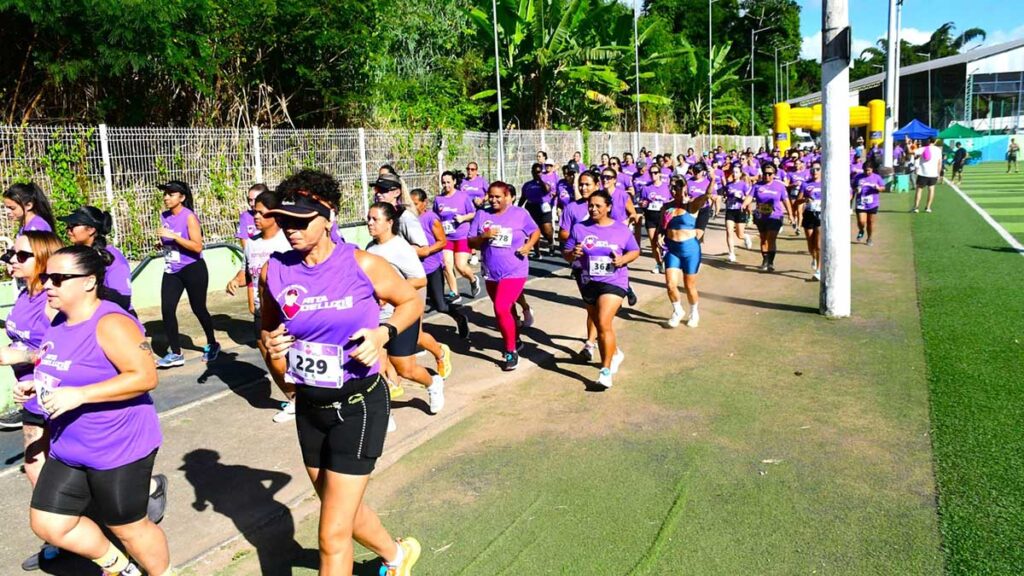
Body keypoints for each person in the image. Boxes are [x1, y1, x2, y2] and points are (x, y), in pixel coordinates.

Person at [259, 169, 421, 575]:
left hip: (359, 405)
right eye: (284, 220)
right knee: (340, 508)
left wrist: (383, 334)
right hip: (310, 409)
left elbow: (410, 302)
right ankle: (397, 556)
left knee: (331, 534)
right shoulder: (273, 272)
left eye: (300, 221)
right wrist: (275, 353)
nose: (290, 230)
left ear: (327, 217)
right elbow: (266, 330)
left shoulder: (363, 264)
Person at [21, 244, 168, 576]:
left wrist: (82, 394)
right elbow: (65, 365)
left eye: (58, 279)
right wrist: (38, 383)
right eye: (46, 277)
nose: (47, 285)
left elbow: (145, 376)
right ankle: (120, 567)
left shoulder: (112, 322)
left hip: (117, 447)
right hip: (69, 446)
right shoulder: (59, 320)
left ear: (89, 281)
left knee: (129, 528)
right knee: (49, 523)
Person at [0, 232, 62, 567]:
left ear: (41, 259)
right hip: (30, 398)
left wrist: (19, 354)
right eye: (11, 254)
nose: (11, 260)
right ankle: (57, 535)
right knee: (35, 468)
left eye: (21, 256)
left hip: (58, 397)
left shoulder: (51, 302)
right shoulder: (25, 294)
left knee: (76, 471)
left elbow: (64, 351)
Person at [366, 202, 447, 414]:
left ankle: (433, 384)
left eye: (375, 219)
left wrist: (389, 292)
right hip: (375, 317)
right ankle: (384, 414)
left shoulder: (400, 247)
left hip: (399, 314)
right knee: (373, 366)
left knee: (404, 367)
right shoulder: (370, 248)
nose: (370, 223)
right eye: (368, 218)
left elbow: (420, 280)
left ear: (389, 222)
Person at [225, 190, 293, 422]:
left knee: (285, 358)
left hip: (284, 310)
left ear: (274, 216)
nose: (256, 217)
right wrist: (236, 281)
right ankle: (294, 399)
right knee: (269, 358)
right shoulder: (251, 245)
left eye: (262, 214)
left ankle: (303, 400)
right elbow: (248, 273)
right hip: (261, 310)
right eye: (255, 212)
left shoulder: (286, 241)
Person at [563, 189, 639, 388]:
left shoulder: (620, 230)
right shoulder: (580, 228)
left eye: (598, 205)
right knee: (598, 321)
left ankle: (605, 372)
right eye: (591, 205)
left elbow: (635, 250)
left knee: (604, 322)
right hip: (588, 281)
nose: (593, 208)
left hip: (614, 280)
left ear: (608, 207)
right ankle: (615, 352)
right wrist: (574, 253)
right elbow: (567, 253)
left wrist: (622, 259)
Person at [468, 182, 540, 371]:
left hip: (515, 270)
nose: (493, 200)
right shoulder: (482, 215)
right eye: (490, 196)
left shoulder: (519, 214)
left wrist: (527, 247)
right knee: (506, 310)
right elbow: (471, 242)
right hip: (491, 272)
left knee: (500, 308)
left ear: (507, 196)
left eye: (498, 196)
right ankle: (515, 338)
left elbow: (535, 232)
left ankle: (510, 351)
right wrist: (484, 236)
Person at [154, 180, 220, 368]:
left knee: (198, 308)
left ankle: (212, 342)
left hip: (192, 268)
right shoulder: (164, 215)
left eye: (171, 194)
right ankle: (176, 353)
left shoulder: (189, 217)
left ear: (182, 197)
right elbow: (170, 240)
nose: (166, 197)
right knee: (167, 309)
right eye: (165, 194)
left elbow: (197, 246)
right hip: (171, 269)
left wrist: (175, 237)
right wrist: (163, 243)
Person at [410, 188, 469, 339]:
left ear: (424, 203)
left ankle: (460, 317)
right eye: (410, 204)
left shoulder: (431, 218)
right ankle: (416, 338)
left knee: (440, 305)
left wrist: (426, 251)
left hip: (431, 267)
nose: (413, 207)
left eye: (416, 204)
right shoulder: (407, 220)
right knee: (415, 305)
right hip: (415, 270)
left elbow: (442, 242)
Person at [656, 175, 712, 328]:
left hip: (690, 250)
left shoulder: (691, 205)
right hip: (672, 250)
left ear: (685, 187)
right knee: (670, 284)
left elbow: (707, 195)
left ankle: (694, 312)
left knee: (689, 286)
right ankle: (677, 311)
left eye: (678, 186)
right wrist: (660, 235)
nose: (675, 190)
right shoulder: (666, 206)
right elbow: (662, 225)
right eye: (672, 187)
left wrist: (712, 179)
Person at [59, 206, 134, 313]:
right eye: (67, 226)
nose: (68, 230)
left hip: (115, 318)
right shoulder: (75, 254)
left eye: (72, 226)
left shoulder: (112, 258)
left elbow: (123, 300)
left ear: (91, 230)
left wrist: (88, 288)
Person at [559, 171, 600, 360]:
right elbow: (563, 234)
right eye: (581, 185)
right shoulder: (571, 208)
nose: (583, 188)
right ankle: (593, 342)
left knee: (602, 306)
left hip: (604, 263)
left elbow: (617, 228)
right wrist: (578, 239)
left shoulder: (606, 205)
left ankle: (592, 343)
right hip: (581, 264)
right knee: (591, 307)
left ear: (597, 185)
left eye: (587, 184)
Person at [434, 171, 480, 301]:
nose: (446, 185)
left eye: (449, 182)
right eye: (444, 182)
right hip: (446, 237)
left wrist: (463, 218)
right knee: (446, 265)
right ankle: (455, 293)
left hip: (461, 236)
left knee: (460, 266)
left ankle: (472, 279)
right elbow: (435, 217)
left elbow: (473, 213)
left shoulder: (463, 197)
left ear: (454, 182)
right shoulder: (439, 199)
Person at [750, 164, 792, 272]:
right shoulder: (757, 186)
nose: (767, 176)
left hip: (775, 216)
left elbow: (786, 201)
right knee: (763, 239)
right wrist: (744, 205)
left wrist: (790, 214)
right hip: (761, 216)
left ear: (774, 174)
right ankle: (765, 260)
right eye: (765, 173)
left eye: (770, 174)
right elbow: (749, 197)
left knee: (771, 237)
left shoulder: (780, 186)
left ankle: (770, 262)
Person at [639, 165, 672, 274]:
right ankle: (659, 263)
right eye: (651, 173)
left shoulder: (666, 187)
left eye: (656, 172)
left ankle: (668, 262)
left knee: (663, 241)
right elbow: (642, 202)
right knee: (653, 241)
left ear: (660, 174)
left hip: (663, 217)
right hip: (650, 216)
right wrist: (643, 203)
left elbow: (671, 201)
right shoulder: (646, 188)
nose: (653, 175)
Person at [519, 162, 557, 257]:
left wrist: (540, 179)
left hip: (543, 208)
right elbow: (523, 197)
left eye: (539, 172)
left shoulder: (545, 182)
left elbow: (547, 189)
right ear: (532, 172)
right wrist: (518, 208)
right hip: (532, 208)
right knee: (534, 230)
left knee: (547, 230)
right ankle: (537, 252)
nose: (537, 174)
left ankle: (551, 243)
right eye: (535, 172)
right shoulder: (527, 185)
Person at [794, 161, 824, 280]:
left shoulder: (825, 183)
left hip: (821, 214)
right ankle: (814, 257)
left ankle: (818, 270)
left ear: (821, 170)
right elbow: (797, 201)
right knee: (811, 243)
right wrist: (806, 199)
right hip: (809, 214)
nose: (814, 172)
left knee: (818, 244)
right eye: (812, 170)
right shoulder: (805, 184)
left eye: (817, 169)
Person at [723, 163, 753, 262]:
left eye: (737, 172)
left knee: (739, 234)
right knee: (729, 231)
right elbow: (726, 196)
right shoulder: (729, 185)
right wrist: (726, 198)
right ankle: (731, 253)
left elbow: (749, 198)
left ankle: (745, 237)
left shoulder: (744, 185)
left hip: (740, 210)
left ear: (740, 174)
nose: (734, 174)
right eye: (733, 172)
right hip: (730, 210)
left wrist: (741, 197)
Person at [853, 161, 884, 246]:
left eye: (869, 170)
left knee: (870, 222)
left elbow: (883, 187)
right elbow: (853, 187)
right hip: (861, 203)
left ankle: (869, 238)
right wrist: (857, 189)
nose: (867, 172)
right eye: (865, 170)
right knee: (861, 221)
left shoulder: (877, 177)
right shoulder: (858, 177)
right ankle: (861, 230)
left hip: (873, 203)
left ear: (872, 169)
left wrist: (878, 188)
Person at [912, 136, 942, 213]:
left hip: (923, 173)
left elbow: (912, 152)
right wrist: (938, 174)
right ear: (935, 141)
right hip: (933, 174)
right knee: (931, 190)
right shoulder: (938, 150)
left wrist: (909, 144)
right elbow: (939, 163)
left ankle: (916, 207)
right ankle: (928, 207)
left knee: (919, 190)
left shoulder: (923, 148)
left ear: (928, 141)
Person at [235, 184, 269, 249]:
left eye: (255, 200)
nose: (252, 203)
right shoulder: (244, 217)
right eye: (250, 200)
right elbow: (244, 243)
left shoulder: (274, 215)